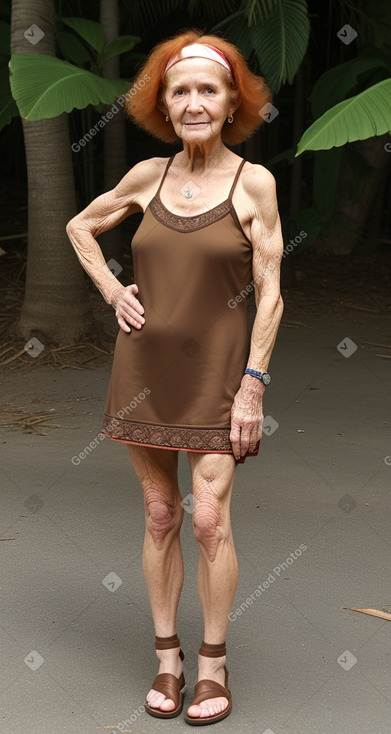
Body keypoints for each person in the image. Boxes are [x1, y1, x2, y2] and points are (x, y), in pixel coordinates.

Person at [66, 29, 284, 726]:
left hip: (221, 376)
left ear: (231, 103)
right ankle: (168, 657)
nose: (193, 102)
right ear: (164, 103)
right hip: (143, 372)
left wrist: (253, 383)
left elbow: (271, 290)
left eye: (207, 90)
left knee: (210, 520)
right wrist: (110, 288)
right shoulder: (146, 178)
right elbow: (80, 226)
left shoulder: (254, 183)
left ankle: (214, 664)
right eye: (179, 90)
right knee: (161, 513)